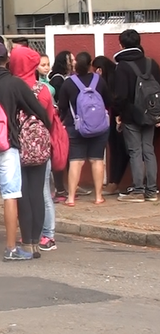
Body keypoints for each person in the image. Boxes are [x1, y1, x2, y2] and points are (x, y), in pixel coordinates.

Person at [0, 42, 50, 261]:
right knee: (10, 196)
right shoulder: (14, 83)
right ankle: (10, 249)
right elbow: (37, 109)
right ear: (7, 59)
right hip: (7, 144)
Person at [10, 46, 56, 258]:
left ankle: (26, 241)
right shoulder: (43, 90)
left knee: (22, 195)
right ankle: (37, 242)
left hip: (16, 148)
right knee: (38, 194)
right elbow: (50, 119)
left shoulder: (10, 88)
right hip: (39, 148)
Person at [58, 52, 111, 207]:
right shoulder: (99, 80)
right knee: (97, 160)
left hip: (75, 126)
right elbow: (108, 101)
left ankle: (71, 198)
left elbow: (62, 106)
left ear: (75, 66)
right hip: (99, 127)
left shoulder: (68, 83)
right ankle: (98, 196)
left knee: (76, 161)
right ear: (90, 65)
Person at [114, 29, 160, 203]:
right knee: (149, 150)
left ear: (122, 44)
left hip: (131, 115)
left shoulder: (122, 67)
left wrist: (119, 114)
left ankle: (138, 191)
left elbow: (121, 96)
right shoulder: (151, 63)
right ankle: (152, 191)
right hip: (151, 115)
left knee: (135, 151)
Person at [92, 56, 128, 197]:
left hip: (116, 119)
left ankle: (114, 182)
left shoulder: (108, 81)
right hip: (118, 118)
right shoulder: (116, 75)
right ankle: (114, 181)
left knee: (117, 150)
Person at [49, 50, 75, 202]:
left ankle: (65, 187)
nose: (74, 62)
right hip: (60, 123)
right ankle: (60, 189)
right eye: (71, 59)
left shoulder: (67, 78)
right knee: (60, 155)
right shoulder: (58, 80)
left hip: (64, 122)